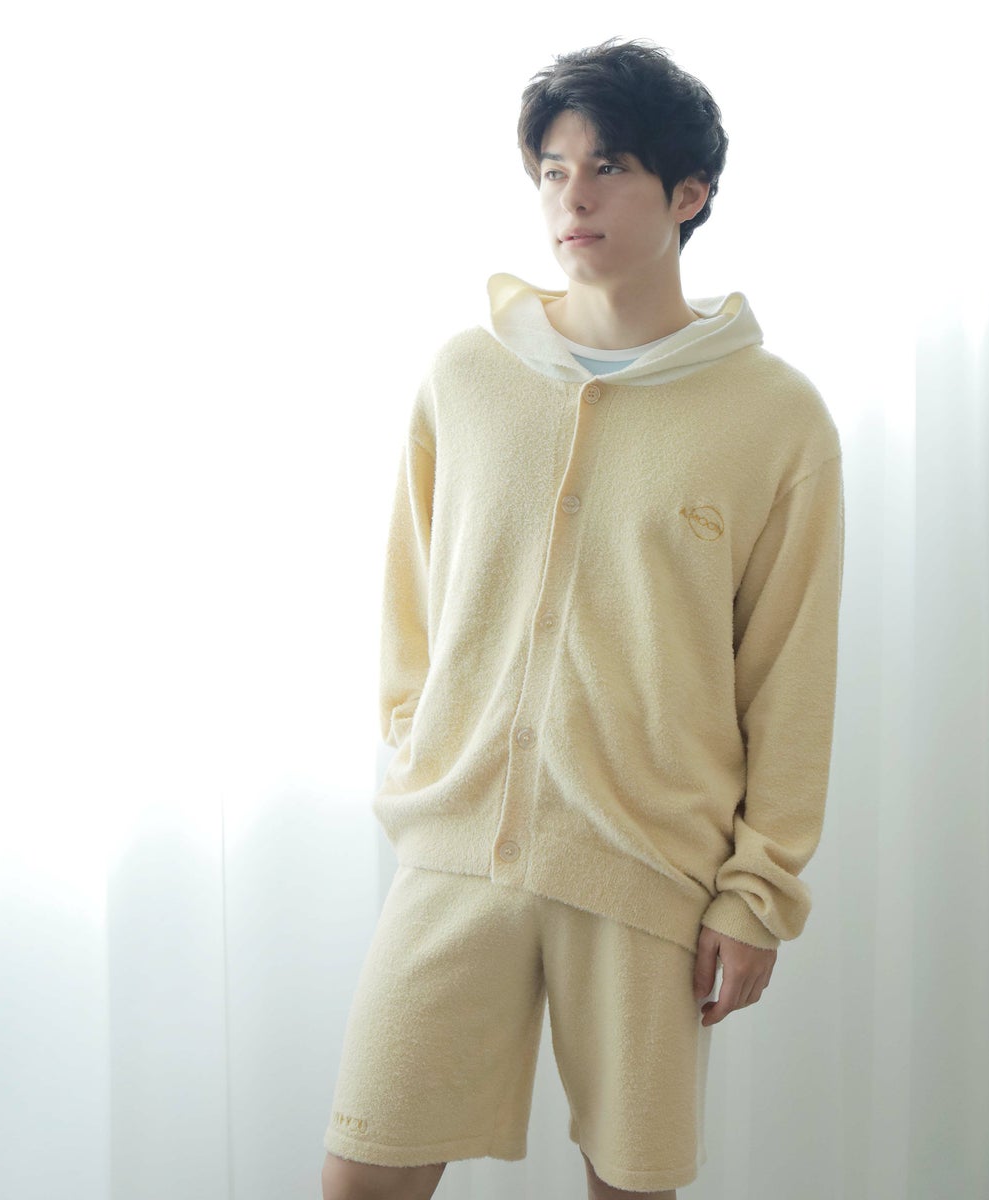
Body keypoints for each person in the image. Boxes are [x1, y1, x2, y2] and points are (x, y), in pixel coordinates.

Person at [321, 37, 844, 1200]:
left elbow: (790, 673)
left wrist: (757, 893)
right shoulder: (467, 377)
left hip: (648, 866)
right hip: (457, 850)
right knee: (361, 1176)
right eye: (553, 171)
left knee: (630, 1187)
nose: (574, 198)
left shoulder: (776, 419)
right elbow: (411, 603)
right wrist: (423, 751)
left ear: (688, 194)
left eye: (608, 167)